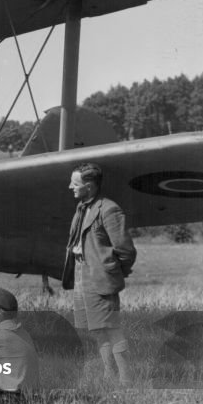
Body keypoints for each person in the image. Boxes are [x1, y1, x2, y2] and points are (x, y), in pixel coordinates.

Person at [63, 162, 138, 385]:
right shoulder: (82, 208)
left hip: (100, 277)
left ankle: (126, 379)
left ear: (89, 185)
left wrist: (111, 272)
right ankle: (109, 374)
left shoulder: (109, 209)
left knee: (111, 328)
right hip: (81, 275)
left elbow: (126, 250)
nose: (70, 187)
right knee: (96, 329)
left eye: (75, 183)